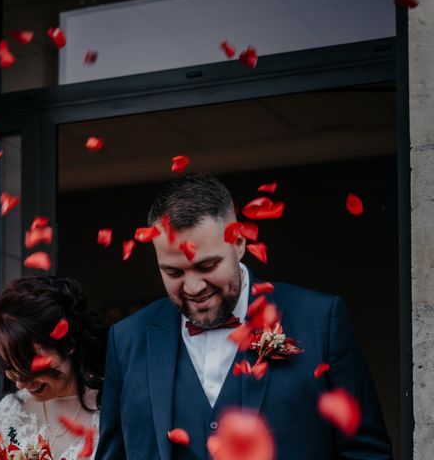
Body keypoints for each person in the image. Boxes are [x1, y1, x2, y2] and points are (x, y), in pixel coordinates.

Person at [95, 173, 392, 460]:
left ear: (239, 243)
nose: (193, 287)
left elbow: (365, 452)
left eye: (208, 266)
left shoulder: (320, 321)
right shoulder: (126, 340)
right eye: (173, 272)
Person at [0, 276, 107, 460]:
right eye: (10, 368)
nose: (20, 384)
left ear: (67, 343)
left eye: (29, 367)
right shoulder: (10, 411)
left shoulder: (111, 408)